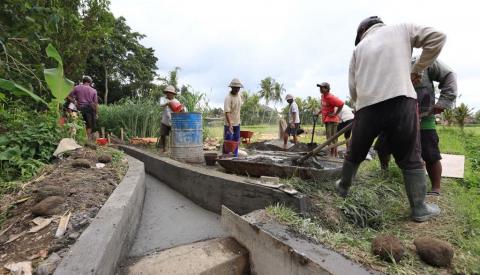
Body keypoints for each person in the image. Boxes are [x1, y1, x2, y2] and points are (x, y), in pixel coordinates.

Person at [336, 16, 447, 222]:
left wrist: (362, 106)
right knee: (410, 156)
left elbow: (353, 87)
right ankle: (419, 208)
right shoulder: (403, 29)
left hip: (367, 107)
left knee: (355, 152)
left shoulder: (358, 49)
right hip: (401, 101)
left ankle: (342, 188)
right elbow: (438, 38)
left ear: (362, 32)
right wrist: (417, 69)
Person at [374, 58, 457, 195]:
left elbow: (448, 75)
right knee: (382, 147)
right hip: (394, 117)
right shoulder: (388, 63)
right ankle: (385, 172)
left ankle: (436, 188)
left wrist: (444, 101)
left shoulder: (423, 61)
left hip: (422, 116)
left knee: (430, 154)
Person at [317, 82, 344, 157]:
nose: (321, 89)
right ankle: (334, 155)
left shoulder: (330, 97)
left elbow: (341, 104)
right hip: (327, 120)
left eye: (322, 87)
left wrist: (335, 114)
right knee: (329, 139)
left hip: (332, 121)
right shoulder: (323, 96)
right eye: (320, 88)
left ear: (327, 89)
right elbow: (323, 107)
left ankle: (333, 155)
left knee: (331, 139)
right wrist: (318, 113)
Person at [68, 76, 98, 141]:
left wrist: (75, 102)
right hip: (89, 108)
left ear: (83, 81)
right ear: (90, 82)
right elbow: (95, 103)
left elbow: (69, 96)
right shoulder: (93, 90)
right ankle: (87, 140)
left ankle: (74, 139)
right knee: (89, 125)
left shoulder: (77, 87)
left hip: (79, 108)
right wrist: (96, 113)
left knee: (76, 123)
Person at [159, 85, 184, 153]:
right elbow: (161, 105)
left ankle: (175, 150)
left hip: (173, 121)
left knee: (174, 136)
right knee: (163, 135)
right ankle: (164, 149)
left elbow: (179, 110)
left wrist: (182, 109)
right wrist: (167, 103)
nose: (169, 94)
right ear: (166, 93)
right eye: (168, 92)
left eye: (170, 93)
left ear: (173, 94)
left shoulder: (176, 101)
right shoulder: (163, 99)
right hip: (165, 121)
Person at [223, 78, 243, 157]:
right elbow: (227, 112)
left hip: (237, 124)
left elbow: (237, 110)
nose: (237, 89)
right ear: (232, 87)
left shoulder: (239, 96)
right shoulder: (228, 98)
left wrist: (237, 122)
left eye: (238, 88)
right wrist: (230, 124)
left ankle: (235, 157)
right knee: (228, 142)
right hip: (229, 125)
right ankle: (225, 158)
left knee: (236, 142)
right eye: (235, 87)